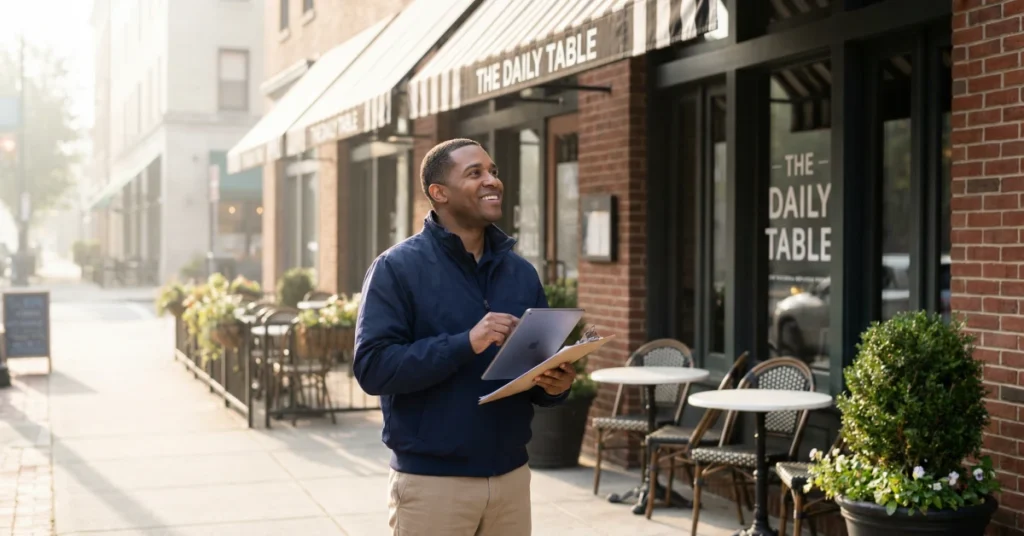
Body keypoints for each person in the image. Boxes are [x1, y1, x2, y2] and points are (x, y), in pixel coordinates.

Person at [353, 138, 576, 536]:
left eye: (493, 171)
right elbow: (373, 368)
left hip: (511, 478)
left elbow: (534, 369)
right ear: (439, 193)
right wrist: (465, 342)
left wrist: (554, 385)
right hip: (433, 485)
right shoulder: (396, 268)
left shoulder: (521, 273)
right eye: (475, 173)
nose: (492, 180)